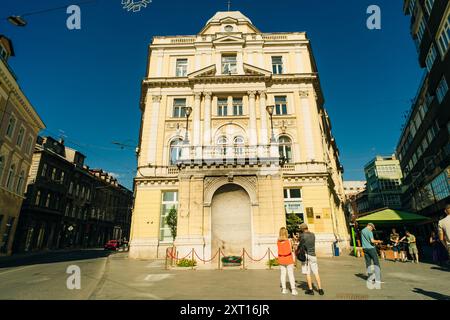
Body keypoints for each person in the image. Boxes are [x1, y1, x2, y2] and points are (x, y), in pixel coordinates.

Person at [299, 223, 324, 295]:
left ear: (302, 229)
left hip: (306, 256)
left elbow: (301, 244)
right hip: (313, 255)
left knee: (308, 273)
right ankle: (320, 289)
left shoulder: (302, 236)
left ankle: (310, 290)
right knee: (316, 272)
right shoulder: (313, 234)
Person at [277, 227, 298, 296]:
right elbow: (293, 248)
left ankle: (284, 289)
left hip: (281, 259)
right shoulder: (289, 240)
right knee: (291, 274)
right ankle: (293, 290)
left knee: (283, 274)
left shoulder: (278, 241)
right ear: (286, 233)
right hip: (288, 258)